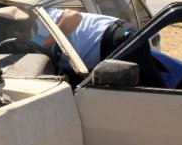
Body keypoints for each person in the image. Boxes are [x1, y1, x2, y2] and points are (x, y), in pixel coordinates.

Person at [25, 8, 165, 87]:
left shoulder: (42, 18)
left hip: (118, 39)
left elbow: (74, 17)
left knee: (153, 91)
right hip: (105, 51)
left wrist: (45, 42)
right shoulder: (31, 44)